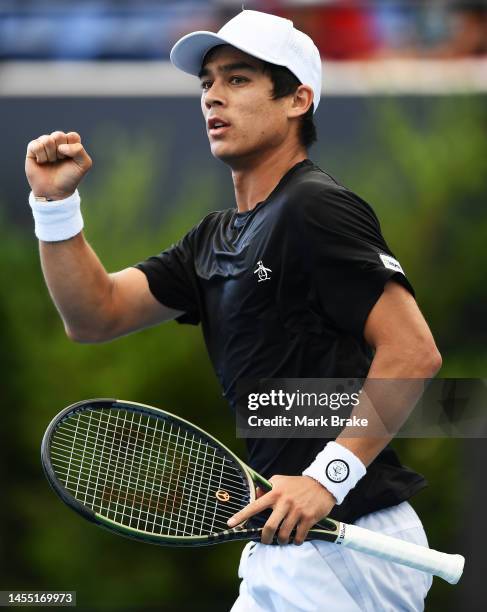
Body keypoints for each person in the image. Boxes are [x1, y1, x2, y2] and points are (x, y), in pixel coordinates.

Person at [25, 9, 441, 612]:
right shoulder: (213, 237)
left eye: (239, 79)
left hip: (345, 543)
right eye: (207, 83)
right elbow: (95, 315)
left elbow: (414, 352)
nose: (214, 96)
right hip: (290, 542)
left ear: (297, 100)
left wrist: (325, 481)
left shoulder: (315, 207)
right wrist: (53, 205)